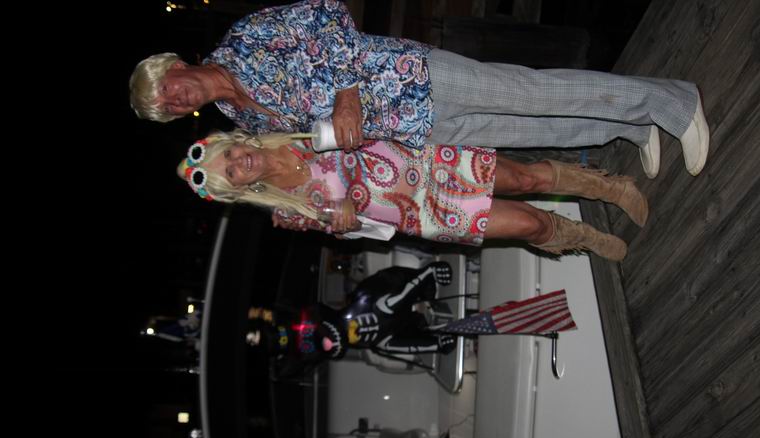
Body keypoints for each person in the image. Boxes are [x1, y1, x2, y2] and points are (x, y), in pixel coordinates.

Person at [131, 0, 709, 178]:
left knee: (536, 95)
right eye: (168, 110)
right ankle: (631, 126)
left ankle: (671, 102)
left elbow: (327, 13)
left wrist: (348, 92)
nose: (176, 102)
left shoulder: (244, 39)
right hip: (411, 130)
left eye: (168, 91)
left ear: (175, 66)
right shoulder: (245, 123)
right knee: (530, 129)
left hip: (410, 77)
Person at [177, 130, 649, 261]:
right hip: (420, 213)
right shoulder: (288, 211)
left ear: (237, 142)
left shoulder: (290, 128)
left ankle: (611, 187)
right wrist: (348, 224)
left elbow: (351, 112)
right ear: (236, 189)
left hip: (422, 161)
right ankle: (587, 239)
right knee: (530, 225)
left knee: (525, 180)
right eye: (229, 173)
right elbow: (360, 232)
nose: (238, 164)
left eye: (229, 155)